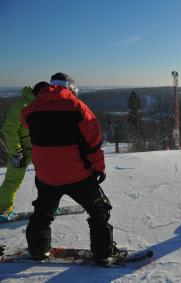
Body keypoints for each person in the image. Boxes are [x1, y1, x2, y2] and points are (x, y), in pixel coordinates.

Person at [21, 72, 119, 264]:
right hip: (78, 175)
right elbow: (94, 142)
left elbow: (26, 123)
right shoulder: (76, 106)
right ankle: (103, 252)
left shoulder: (30, 109)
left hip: (46, 176)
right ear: (71, 88)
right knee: (99, 212)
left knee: (42, 213)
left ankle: (38, 249)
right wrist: (99, 168)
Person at [0, 82, 49, 221]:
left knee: (48, 179)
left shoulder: (41, 104)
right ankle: (1, 209)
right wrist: (16, 151)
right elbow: (9, 129)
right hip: (20, 150)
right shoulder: (21, 106)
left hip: (37, 148)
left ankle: (48, 205)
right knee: (13, 180)